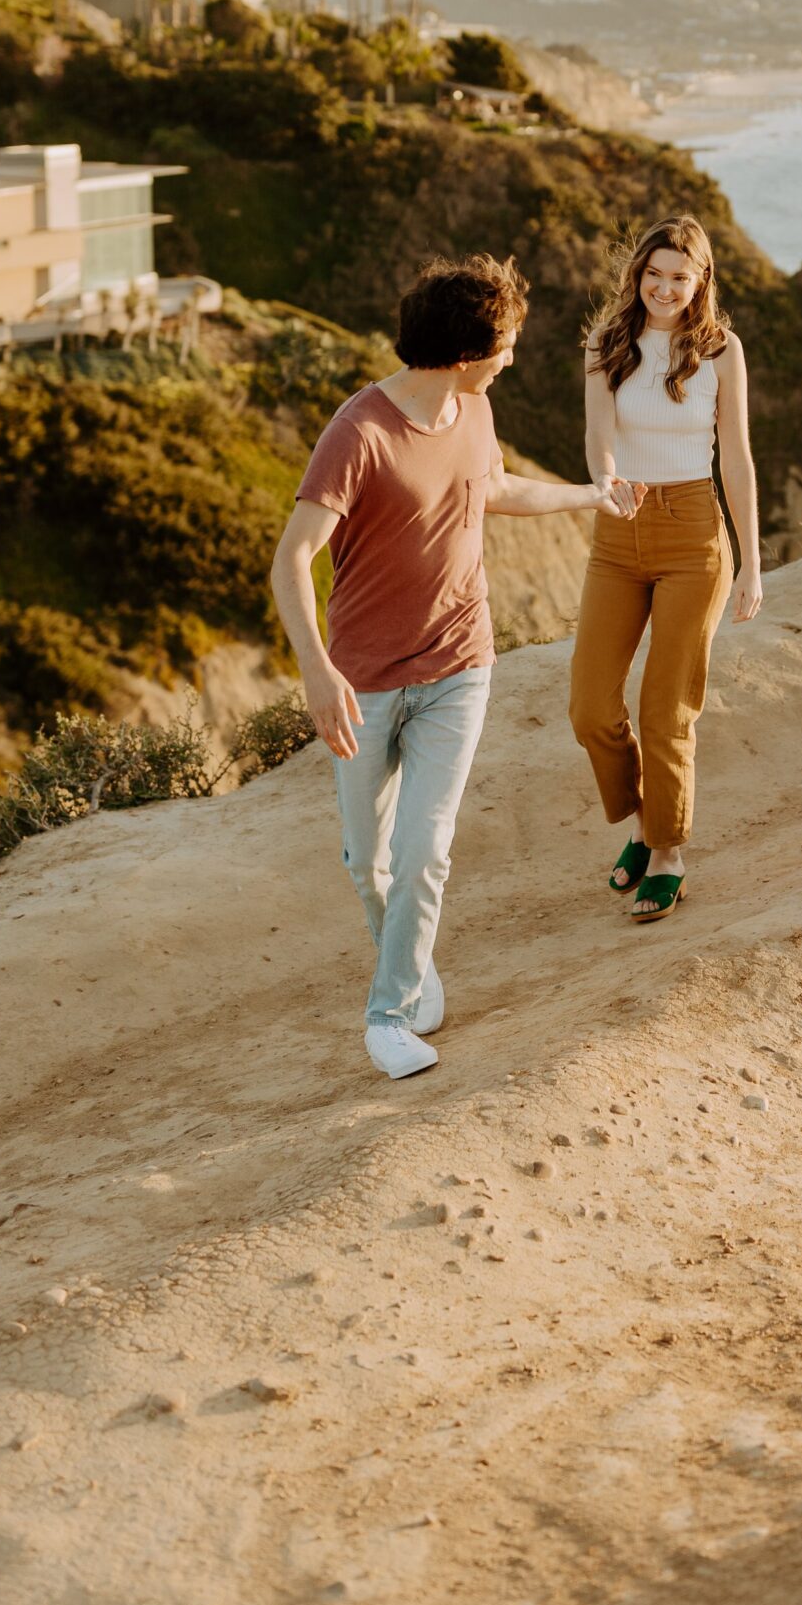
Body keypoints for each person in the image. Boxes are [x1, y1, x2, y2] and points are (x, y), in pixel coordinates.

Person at [272, 253, 630, 1079]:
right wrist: (317, 672)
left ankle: (388, 1019)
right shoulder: (357, 431)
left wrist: (589, 494)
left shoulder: (471, 414)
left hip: (460, 663)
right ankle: (411, 964)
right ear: (469, 352)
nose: (513, 357)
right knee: (371, 862)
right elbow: (292, 559)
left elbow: (492, 487)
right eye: (506, 344)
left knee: (426, 846)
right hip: (362, 680)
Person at [569, 216, 763, 921]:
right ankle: (642, 824)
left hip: (693, 536)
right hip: (618, 531)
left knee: (665, 709)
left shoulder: (719, 351)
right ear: (637, 274)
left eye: (679, 277)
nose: (664, 288)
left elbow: (735, 459)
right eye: (654, 274)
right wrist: (607, 480)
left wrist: (751, 564)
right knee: (590, 708)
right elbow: (598, 435)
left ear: (700, 280)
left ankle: (667, 853)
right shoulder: (606, 341)